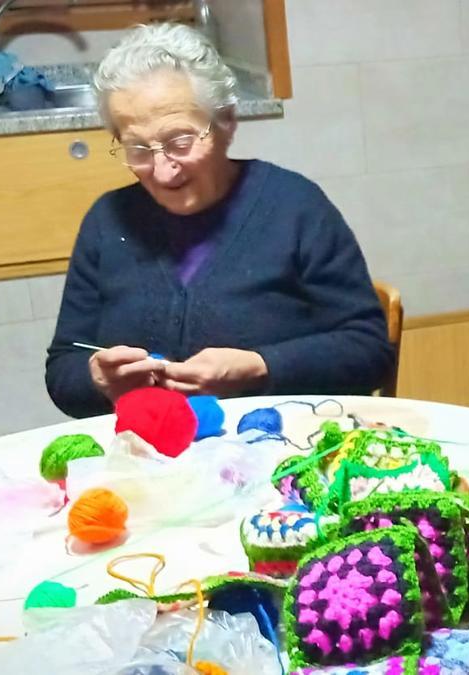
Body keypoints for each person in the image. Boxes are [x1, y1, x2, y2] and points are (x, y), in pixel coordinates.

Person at [45, 23, 393, 418]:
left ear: (226, 122)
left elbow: (369, 351)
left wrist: (259, 367)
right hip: (144, 460)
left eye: (180, 142)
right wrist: (98, 379)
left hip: (279, 453)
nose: (163, 171)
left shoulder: (295, 207)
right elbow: (63, 368)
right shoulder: (107, 223)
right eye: (138, 149)